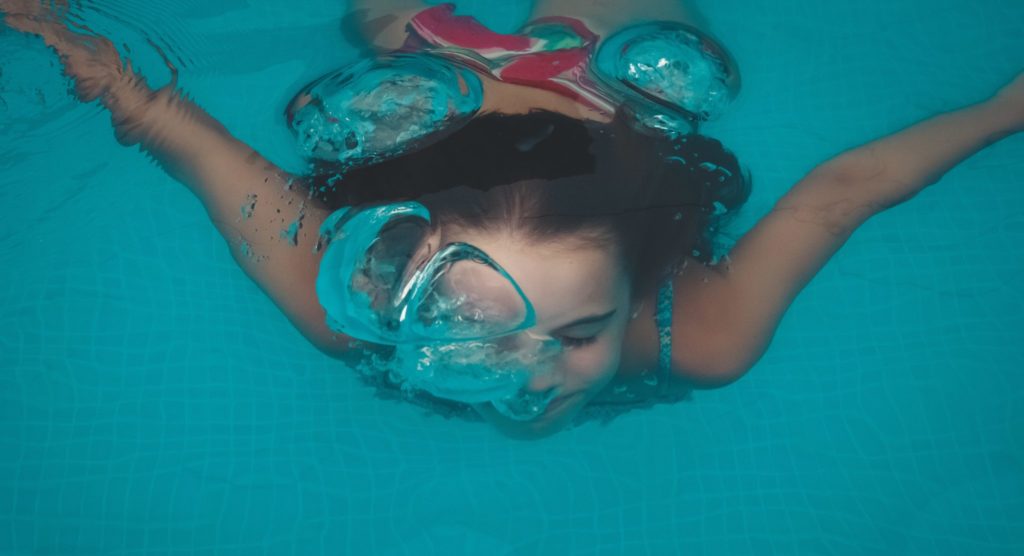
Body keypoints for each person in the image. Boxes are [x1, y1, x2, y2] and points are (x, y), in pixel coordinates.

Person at [2, 0, 1021, 439]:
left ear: (641, 285)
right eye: (486, 324)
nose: (535, 371)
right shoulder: (364, 296)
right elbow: (173, 132)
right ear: (405, 275)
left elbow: (172, 128)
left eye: (580, 331)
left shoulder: (699, 327)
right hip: (467, 102)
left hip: (576, 79)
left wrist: (1001, 109)